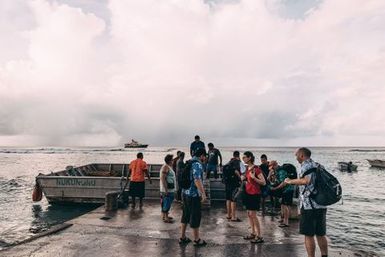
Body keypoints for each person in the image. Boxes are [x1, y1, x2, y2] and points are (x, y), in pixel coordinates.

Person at [284, 147, 328, 257]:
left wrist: (290, 181)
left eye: (296, 155)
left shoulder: (305, 165)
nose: (296, 158)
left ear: (302, 156)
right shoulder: (317, 165)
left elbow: (306, 181)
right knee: (321, 234)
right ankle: (324, 255)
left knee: (308, 235)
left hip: (309, 206)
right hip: (321, 204)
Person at [179, 148, 208, 247]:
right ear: (202, 156)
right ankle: (196, 239)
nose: (205, 158)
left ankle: (182, 237)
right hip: (193, 195)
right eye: (205, 156)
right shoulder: (197, 164)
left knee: (185, 215)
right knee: (195, 216)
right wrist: (203, 194)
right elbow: (197, 180)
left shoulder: (189, 162)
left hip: (185, 193)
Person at [242, 151, 266, 244]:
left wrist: (254, 177)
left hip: (255, 194)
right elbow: (249, 180)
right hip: (248, 193)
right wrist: (244, 178)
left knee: (253, 215)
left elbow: (263, 182)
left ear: (249, 158)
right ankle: (253, 232)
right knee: (249, 214)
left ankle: (259, 236)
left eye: (244, 157)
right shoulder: (248, 168)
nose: (243, 158)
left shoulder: (256, 169)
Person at [270, 161, 295, 228]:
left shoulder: (281, 171)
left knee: (286, 205)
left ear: (274, 166)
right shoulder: (277, 171)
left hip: (288, 190)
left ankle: (286, 222)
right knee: (282, 204)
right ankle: (282, 219)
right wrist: (271, 175)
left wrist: (275, 188)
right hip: (285, 190)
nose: (270, 168)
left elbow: (284, 183)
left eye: (271, 167)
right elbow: (276, 181)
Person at [224, 151, 242, 222]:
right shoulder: (237, 162)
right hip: (234, 183)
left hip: (227, 183)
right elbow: (237, 171)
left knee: (228, 199)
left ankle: (228, 215)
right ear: (238, 155)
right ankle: (233, 217)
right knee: (233, 199)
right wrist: (241, 179)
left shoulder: (229, 162)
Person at [160, 154, 177, 223]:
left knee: (166, 203)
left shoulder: (168, 166)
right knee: (167, 203)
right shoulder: (165, 167)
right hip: (167, 189)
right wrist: (166, 189)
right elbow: (163, 178)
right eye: (172, 160)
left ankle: (165, 216)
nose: (173, 161)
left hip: (170, 188)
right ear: (170, 161)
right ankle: (166, 218)